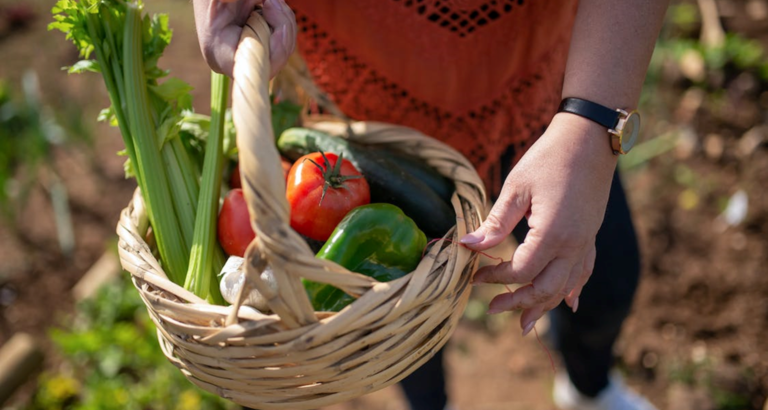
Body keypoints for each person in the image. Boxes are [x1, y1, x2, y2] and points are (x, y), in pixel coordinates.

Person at [192, 1, 670, 409]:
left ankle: (589, 387)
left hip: (544, 98)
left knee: (608, 284)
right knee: (401, 326)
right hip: (359, 108)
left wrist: (589, 129)